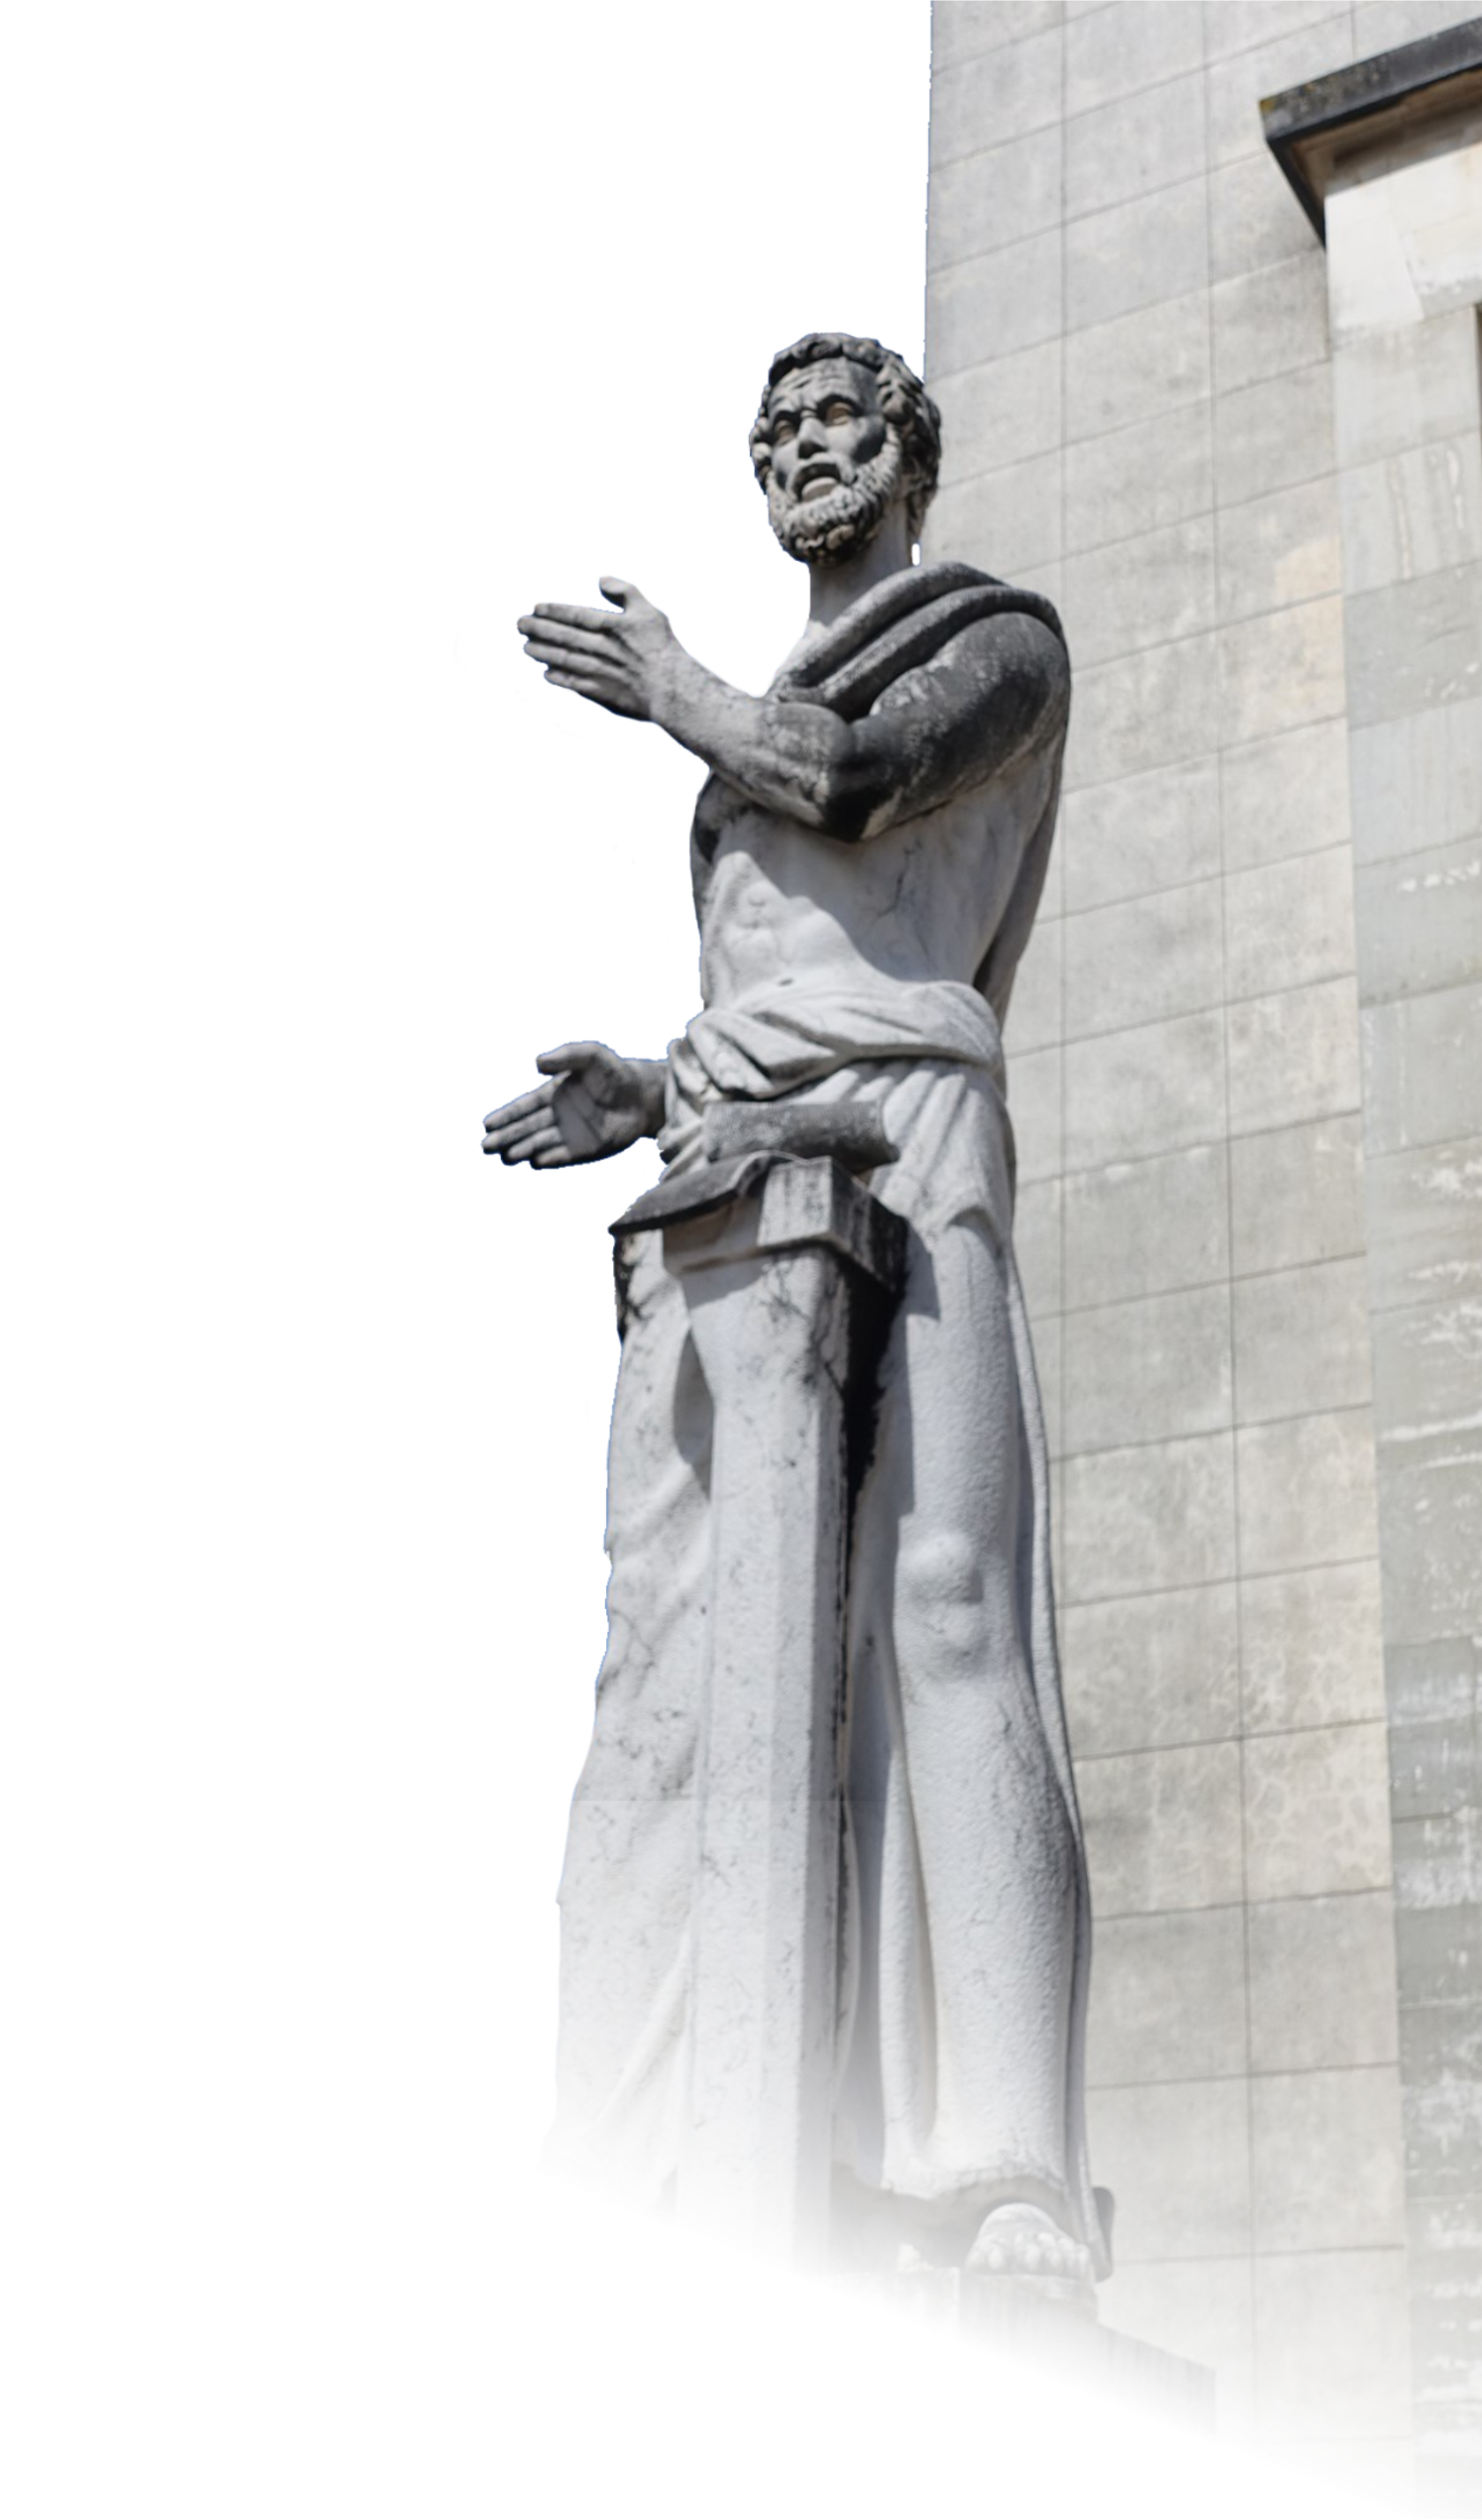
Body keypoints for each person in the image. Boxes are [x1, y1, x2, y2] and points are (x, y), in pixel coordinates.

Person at [483, 331, 1112, 2285]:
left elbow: (853, 786)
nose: (803, 455)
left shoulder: (996, 643)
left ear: (909, 453)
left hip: (914, 1139)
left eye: (839, 423)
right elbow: (774, 980)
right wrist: (656, 1084)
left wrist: (675, 688)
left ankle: (1001, 2159)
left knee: (944, 1604)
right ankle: (661, 2135)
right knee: (680, 1652)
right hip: (723, 1169)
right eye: (774, 436)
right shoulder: (753, 716)